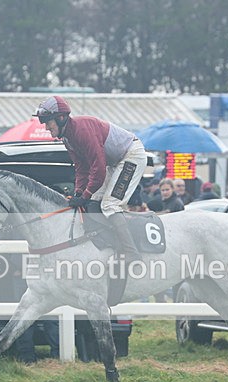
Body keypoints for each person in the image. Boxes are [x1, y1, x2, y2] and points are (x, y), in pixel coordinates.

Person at [34, 95, 147, 263]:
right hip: (115, 161)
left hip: (131, 155)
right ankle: (112, 245)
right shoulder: (67, 137)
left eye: (48, 122)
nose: (46, 128)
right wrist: (78, 193)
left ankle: (131, 253)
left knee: (109, 205)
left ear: (61, 118)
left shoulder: (81, 130)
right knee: (93, 202)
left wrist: (85, 194)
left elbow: (98, 169)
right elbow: (82, 168)